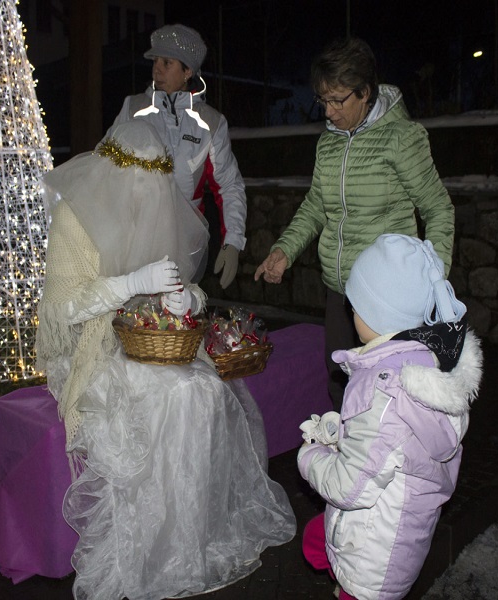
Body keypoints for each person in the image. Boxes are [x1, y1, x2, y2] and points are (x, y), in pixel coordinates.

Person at [36, 120, 295, 600]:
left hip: (148, 339)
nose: (146, 197)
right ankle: (149, 543)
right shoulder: (76, 217)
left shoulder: (157, 207)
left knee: (203, 388)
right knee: (163, 395)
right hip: (92, 345)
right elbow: (61, 310)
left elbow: (181, 281)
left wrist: (187, 302)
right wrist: (130, 285)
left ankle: (190, 533)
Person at [254, 36, 455, 411]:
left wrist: (433, 279)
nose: (329, 112)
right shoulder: (329, 144)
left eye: (337, 100)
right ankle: (348, 462)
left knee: (387, 397)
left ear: (365, 92)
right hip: (340, 291)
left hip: (388, 298)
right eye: (323, 100)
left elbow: (438, 208)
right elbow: (316, 205)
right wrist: (285, 249)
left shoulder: (401, 138)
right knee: (341, 386)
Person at [297, 234, 483, 600]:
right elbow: (389, 444)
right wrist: (344, 432)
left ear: (379, 316)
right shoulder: (423, 366)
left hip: (372, 559)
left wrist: (310, 455)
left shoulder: (385, 393)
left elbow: (349, 486)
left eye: (356, 306)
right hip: (397, 540)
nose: (350, 313)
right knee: (314, 539)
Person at [109, 23, 246, 290]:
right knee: (135, 323)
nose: (156, 69)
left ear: (188, 71)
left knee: (177, 321)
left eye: (167, 62)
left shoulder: (211, 122)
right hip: (136, 241)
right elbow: (104, 165)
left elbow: (229, 185)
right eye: (155, 61)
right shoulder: (133, 108)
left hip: (187, 243)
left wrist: (233, 242)